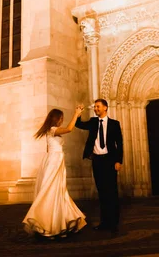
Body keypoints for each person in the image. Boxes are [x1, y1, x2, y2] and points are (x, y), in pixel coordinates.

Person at [22, 105, 87, 238]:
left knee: (58, 190)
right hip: (54, 161)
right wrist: (76, 113)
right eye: (61, 118)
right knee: (51, 190)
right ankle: (46, 222)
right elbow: (69, 129)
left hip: (55, 161)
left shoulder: (49, 131)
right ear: (56, 119)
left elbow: (48, 149)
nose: (62, 120)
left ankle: (57, 222)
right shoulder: (52, 129)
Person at [75, 98, 123, 233]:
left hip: (110, 160)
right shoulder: (93, 122)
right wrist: (78, 114)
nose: (95, 109)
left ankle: (113, 223)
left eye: (98, 107)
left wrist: (119, 161)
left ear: (105, 108)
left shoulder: (114, 124)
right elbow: (79, 125)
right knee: (102, 192)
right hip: (97, 161)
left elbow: (119, 144)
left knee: (112, 192)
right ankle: (104, 222)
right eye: (95, 107)